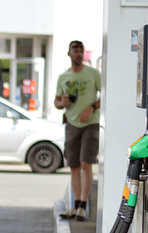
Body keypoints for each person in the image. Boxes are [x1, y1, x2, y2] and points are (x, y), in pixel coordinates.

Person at [55, 40, 101, 222]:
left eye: (81, 50)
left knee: (86, 164)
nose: (79, 53)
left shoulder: (93, 73)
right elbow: (56, 102)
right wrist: (62, 102)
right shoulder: (63, 77)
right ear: (69, 54)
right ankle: (75, 207)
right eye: (75, 50)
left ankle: (83, 206)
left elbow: (106, 94)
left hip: (90, 123)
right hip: (71, 124)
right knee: (74, 166)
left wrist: (92, 107)